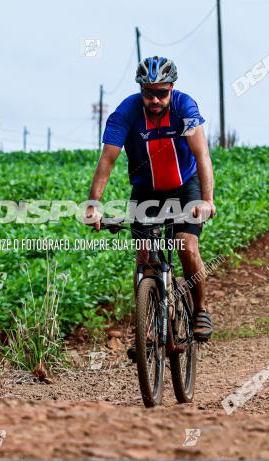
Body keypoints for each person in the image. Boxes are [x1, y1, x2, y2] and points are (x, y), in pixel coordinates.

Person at [84, 56, 216, 352]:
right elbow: (107, 159)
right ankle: (147, 330)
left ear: (172, 88)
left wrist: (207, 200)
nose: (155, 99)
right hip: (146, 192)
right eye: (148, 93)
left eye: (162, 92)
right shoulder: (126, 113)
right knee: (143, 258)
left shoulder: (185, 107)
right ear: (140, 89)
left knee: (186, 245)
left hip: (185, 188)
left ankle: (199, 310)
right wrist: (94, 203)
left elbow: (202, 155)